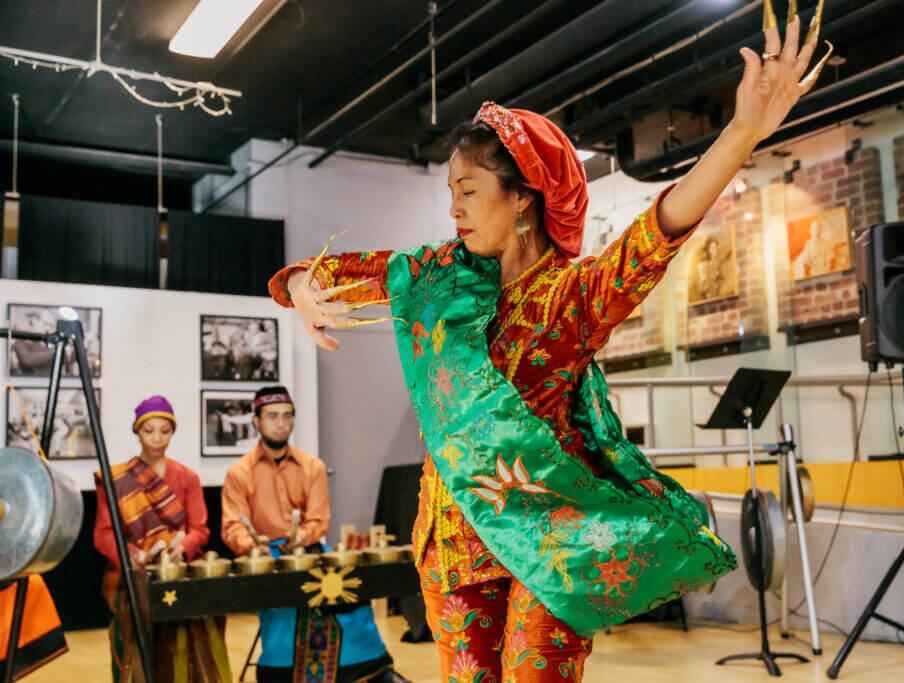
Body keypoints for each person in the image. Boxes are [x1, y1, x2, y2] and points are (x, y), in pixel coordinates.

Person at [270, 11, 829, 680]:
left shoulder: (571, 300)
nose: (454, 210)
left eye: (469, 192)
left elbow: (655, 237)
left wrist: (741, 134)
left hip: (549, 536)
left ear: (523, 199)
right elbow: (338, 274)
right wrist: (302, 282)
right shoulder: (436, 279)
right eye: (451, 194)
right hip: (453, 542)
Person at [221, 386, 408, 683]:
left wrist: (303, 536)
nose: (280, 423)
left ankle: (370, 672)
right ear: (255, 421)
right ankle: (281, 673)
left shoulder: (313, 467)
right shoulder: (239, 473)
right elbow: (232, 527)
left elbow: (319, 520)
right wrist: (251, 545)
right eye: (271, 416)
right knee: (285, 608)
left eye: (287, 416)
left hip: (309, 548)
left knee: (349, 593)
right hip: (266, 557)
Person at [93, 396, 230, 682]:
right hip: (135, 578)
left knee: (189, 647)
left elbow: (200, 530)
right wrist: (131, 554)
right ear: (137, 432)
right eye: (149, 430)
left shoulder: (187, 477)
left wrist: (183, 548)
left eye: (164, 431)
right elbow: (103, 534)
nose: (157, 438)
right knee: (135, 651)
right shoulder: (117, 479)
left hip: (180, 574)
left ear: (173, 432)